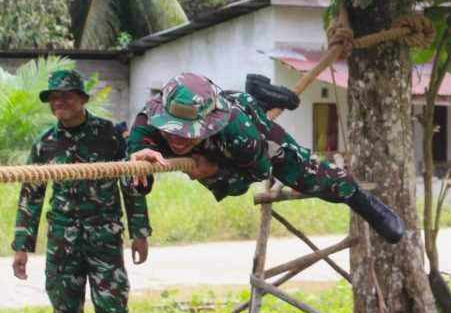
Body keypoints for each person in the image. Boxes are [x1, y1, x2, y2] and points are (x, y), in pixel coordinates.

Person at [126, 72, 405, 243]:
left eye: (189, 133)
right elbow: (137, 182)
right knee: (145, 160)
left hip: (248, 129)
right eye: (171, 129)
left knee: (305, 175)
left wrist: (214, 172)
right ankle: (257, 92)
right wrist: (138, 169)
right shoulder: (148, 120)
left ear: (208, 125)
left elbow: (256, 175)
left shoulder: (241, 136)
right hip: (227, 107)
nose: (177, 139)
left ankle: (359, 197)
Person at [12, 69, 150, 313]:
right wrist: (21, 247)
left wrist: (140, 231)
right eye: (53, 98)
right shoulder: (46, 143)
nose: (59, 102)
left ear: (82, 99)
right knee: (65, 311)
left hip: (104, 236)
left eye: (66, 96)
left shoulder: (109, 135)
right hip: (63, 241)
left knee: (113, 309)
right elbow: (31, 194)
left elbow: (131, 182)